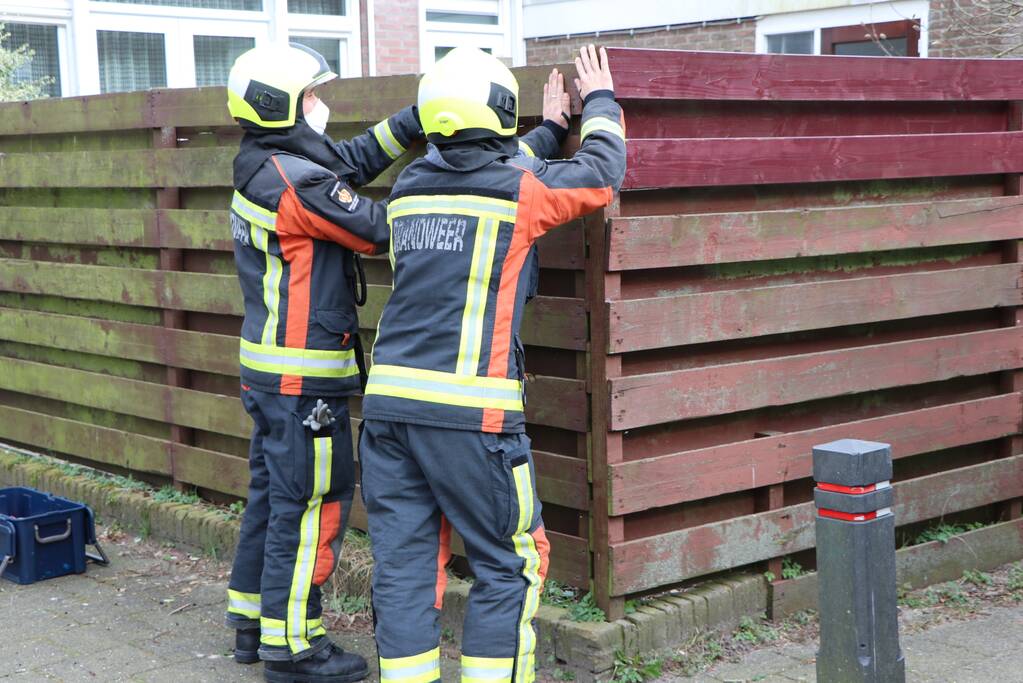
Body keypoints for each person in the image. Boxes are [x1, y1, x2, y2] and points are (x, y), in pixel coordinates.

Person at [359, 45, 626, 683]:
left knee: (406, 566)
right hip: (472, 418)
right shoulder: (518, 192)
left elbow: (486, 166)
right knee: (509, 564)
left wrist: (548, 130)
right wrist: (599, 104)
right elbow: (602, 172)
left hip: (388, 413)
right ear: (498, 113)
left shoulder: (407, 188)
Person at [222, 42, 423, 683]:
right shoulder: (294, 181)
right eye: (312, 95)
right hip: (302, 379)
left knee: (273, 499)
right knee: (312, 504)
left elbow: (350, 162)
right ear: (281, 105)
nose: (321, 104)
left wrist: (418, 119)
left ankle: (252, 623)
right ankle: (295, 648)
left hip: (271, 372)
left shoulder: (271, 163)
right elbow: (375, 226)